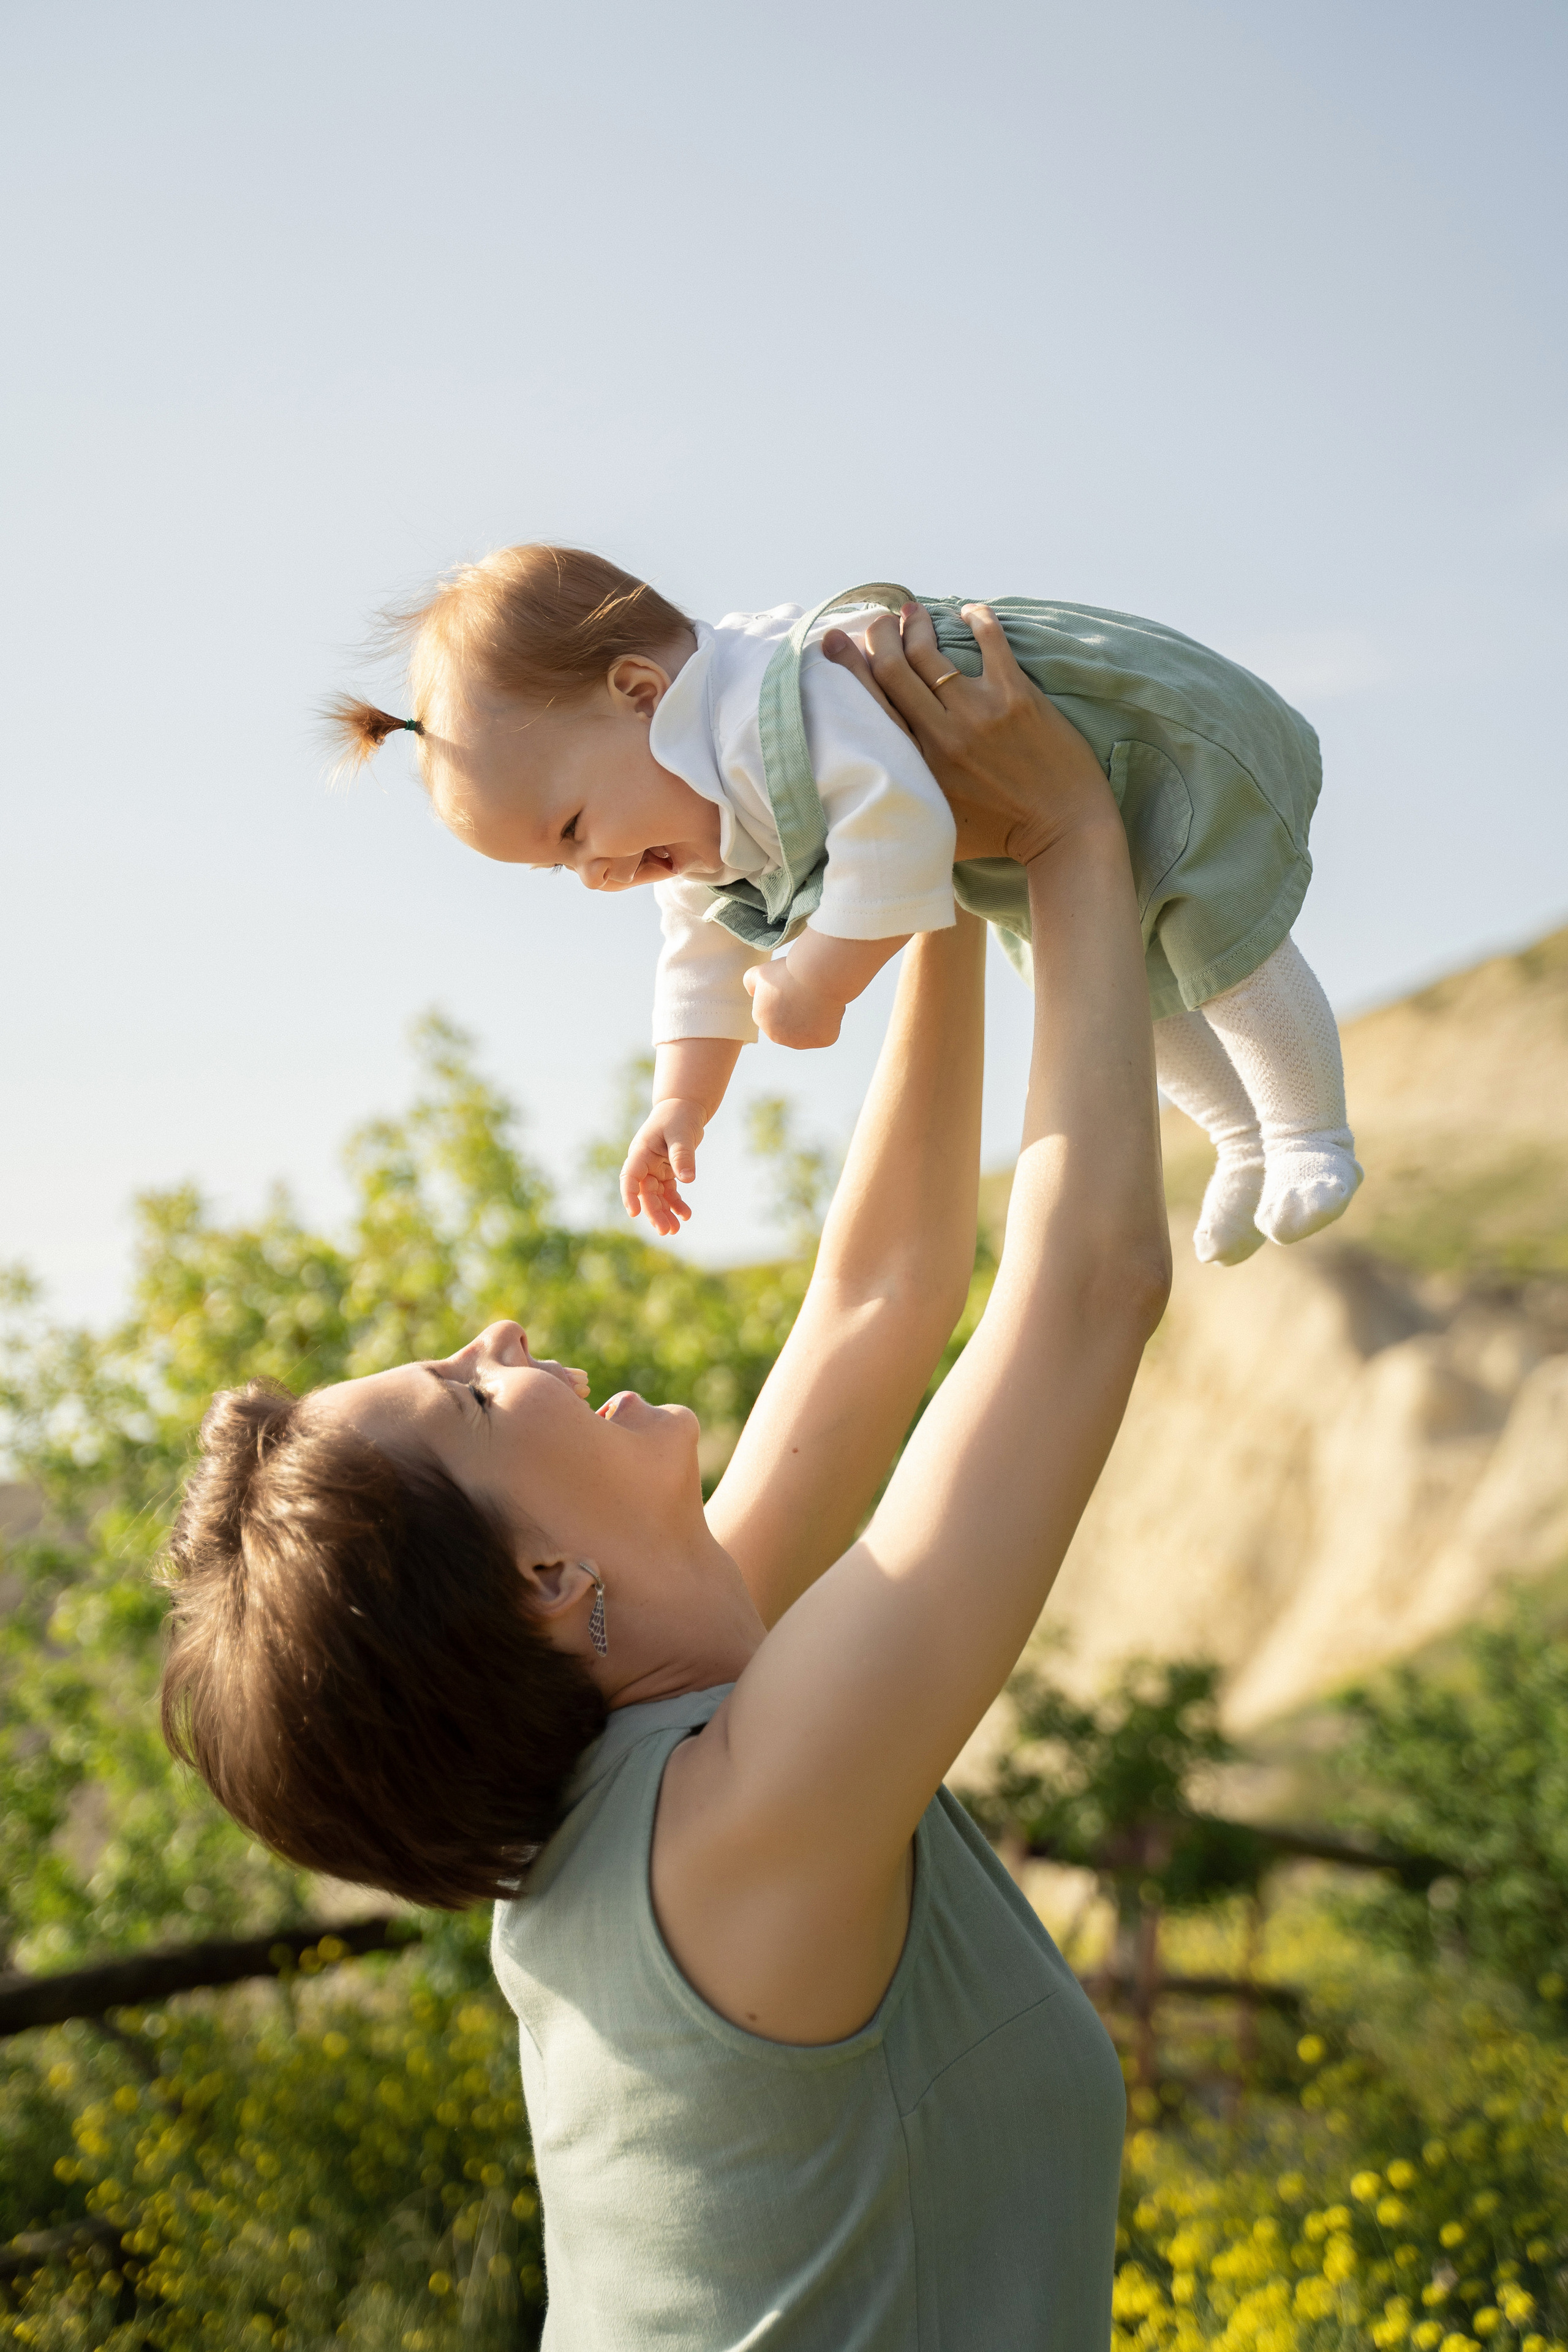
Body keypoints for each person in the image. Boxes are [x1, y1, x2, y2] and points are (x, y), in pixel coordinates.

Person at [163, 606, 1172, 2350]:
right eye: (468, 1398)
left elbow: (878, 1303)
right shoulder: (727, 1841)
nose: (496, 1332)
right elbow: (1081, 1301)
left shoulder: (662, 1748)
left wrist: (917, 864)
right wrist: (1076, 841)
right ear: (547, 1588)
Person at [330, 545, 1359, 1268]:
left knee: (1222, 946)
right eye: (561, 873)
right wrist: (681, 1104)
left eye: (571, 832)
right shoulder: (701, 812)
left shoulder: (773, 698)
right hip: (1032, 826)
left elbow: (896, 827)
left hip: (1138, 744)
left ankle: (1311, 1132)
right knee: (1136, 987)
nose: (596, 874)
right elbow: (698, 960)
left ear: (642, 691)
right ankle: (1243, 1137)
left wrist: (822, 979)